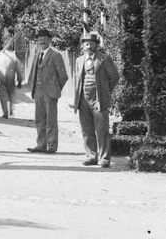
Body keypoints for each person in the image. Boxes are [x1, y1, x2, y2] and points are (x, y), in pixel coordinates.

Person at [70, 32, 120, 167]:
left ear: (96, 46)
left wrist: (105, 91)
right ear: (83, 46)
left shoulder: (104, 59)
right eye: (86, 44)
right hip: (83, 99)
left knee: (102, 129)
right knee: (86, 129)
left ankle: (104, 158)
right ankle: (91, 156)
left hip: (99, 99)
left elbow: (114, 77)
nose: (89, 46)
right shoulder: (79, 60)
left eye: (92, 44)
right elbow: (77, 80)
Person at [25, 28, 68, 154]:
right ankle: (41, 145)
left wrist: (55, 88)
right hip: (38, 92)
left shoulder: (56, 55)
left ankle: (52, 145)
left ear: (49, 40)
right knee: (39, 120)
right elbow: (34, 72)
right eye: (39, 39)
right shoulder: (37, 55)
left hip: (50, 93)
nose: (42, 41)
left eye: (44, 39)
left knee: (51, 120)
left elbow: (63, 76)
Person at [0, 38, 22, 119]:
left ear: (4, 45)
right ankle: (11, 110)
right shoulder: (14, 56)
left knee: (3, 95)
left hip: (1, 77)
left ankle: (5, 112)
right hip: (11, 78)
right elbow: (18, 69)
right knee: (11, 94)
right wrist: (20, 80)